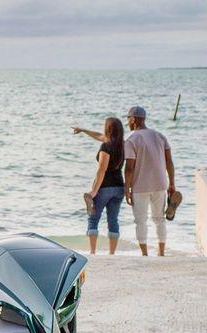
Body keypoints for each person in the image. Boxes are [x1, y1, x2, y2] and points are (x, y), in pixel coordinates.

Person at [123, 105, 179, 256]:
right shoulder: (160, 136)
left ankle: (145, 254)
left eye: (128, 119)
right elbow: (169, 163)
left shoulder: (131, 140)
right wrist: (172, 184)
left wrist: (126, 189)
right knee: (159, 219)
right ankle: (161, 252)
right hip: (160, 184)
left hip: (140, 186)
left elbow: (129, 168)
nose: (127, 122)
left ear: (134, 119)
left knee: (140, 221)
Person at [72, 117, 125, 254]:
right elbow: (99, 136)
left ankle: (93, 252)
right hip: (119, 188)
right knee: (113, 220)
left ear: (107, 129)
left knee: (93, 218)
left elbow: (102, 169)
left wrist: (94, 191)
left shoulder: (106, 146)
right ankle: (112, 253)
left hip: (104, 187)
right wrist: (84, 130)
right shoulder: (122, 144)